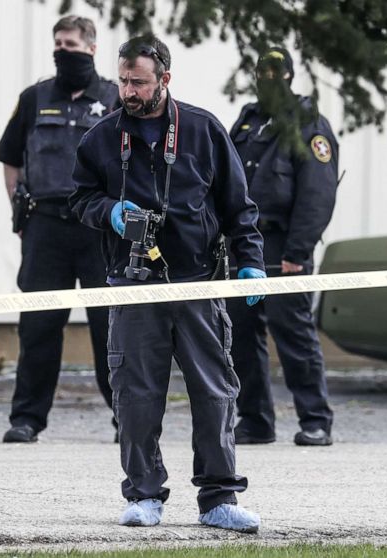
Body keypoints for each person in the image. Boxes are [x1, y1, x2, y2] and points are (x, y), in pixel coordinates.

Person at [69, 35, 267, 532]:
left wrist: (252, 261)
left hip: (199, 283)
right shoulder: (101, 137)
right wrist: (109, 212)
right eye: (123, 80)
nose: (129, 90)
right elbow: (78, 199)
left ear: (165, 80)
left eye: (138, 81)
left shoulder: (202, 130)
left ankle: (219, 498)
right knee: (136, 395)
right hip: (133, 286)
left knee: (215, 392)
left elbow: (238, 206)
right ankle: (143, 495)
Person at [0, 15, 120, 444]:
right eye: (58, 45)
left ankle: (126, 416)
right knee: (39, 326)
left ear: (92, 48)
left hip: (99, 227)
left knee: (112, 326)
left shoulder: (115, 98)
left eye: (71, 45)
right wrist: (19, 207)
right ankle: (27, 418)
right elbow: (11, 157)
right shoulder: (34, 98)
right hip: (46, 225)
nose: (63, 52)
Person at [226, 48, 339, 446]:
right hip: (245, 244)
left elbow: (317, 195)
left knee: (293, 333)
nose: (268, 79)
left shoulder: (309, 125)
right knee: (240, 333)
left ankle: (315, 419)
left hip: (283, 246)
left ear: (290, 76)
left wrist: (298, 251)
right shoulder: (247, 122)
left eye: (276, 72)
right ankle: (255, 419)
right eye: (261, 71)